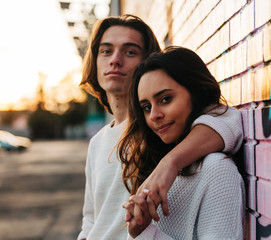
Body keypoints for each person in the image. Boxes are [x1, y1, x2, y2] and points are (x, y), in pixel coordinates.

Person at [77, 15, 243, 240]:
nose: (115, 60)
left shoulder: (162, 133)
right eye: (106, 51)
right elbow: (91, 220)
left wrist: (170, 163)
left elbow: (229, 119)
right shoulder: (98, 142)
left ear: (148, 60)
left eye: (130, 52)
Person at [120, 46, 245, 239]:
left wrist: (146, 235)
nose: (154, 115)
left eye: (166, 99)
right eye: (146, 107)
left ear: (196, 94)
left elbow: (229, 119)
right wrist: (139, 231)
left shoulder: (217, 169)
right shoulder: (156, 169)